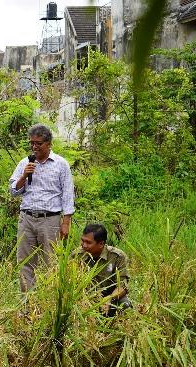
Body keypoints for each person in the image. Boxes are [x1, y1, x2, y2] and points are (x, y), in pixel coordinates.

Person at [9, 124, 74, 293]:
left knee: (51, 261)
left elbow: (67, 194)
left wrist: (66, 222)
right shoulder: (25, 163)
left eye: (38, 143)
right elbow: (13, 191)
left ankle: (49, 301)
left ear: (49, 144)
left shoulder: (61, 164)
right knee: (25, 261)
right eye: (32, 143)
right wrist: (24, 175)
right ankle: (27, 304)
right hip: (27, 218)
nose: (34, 147)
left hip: (50, 220)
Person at [73, 223, 132, 317]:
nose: (84, 245)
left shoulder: (117, 257)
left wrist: (109, 299)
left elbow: (123, 286)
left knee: (125, 304)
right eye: (82, 241)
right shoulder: (77, 255)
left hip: (111, 295)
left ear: (101, 244)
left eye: (88, 242)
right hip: (85, 296)